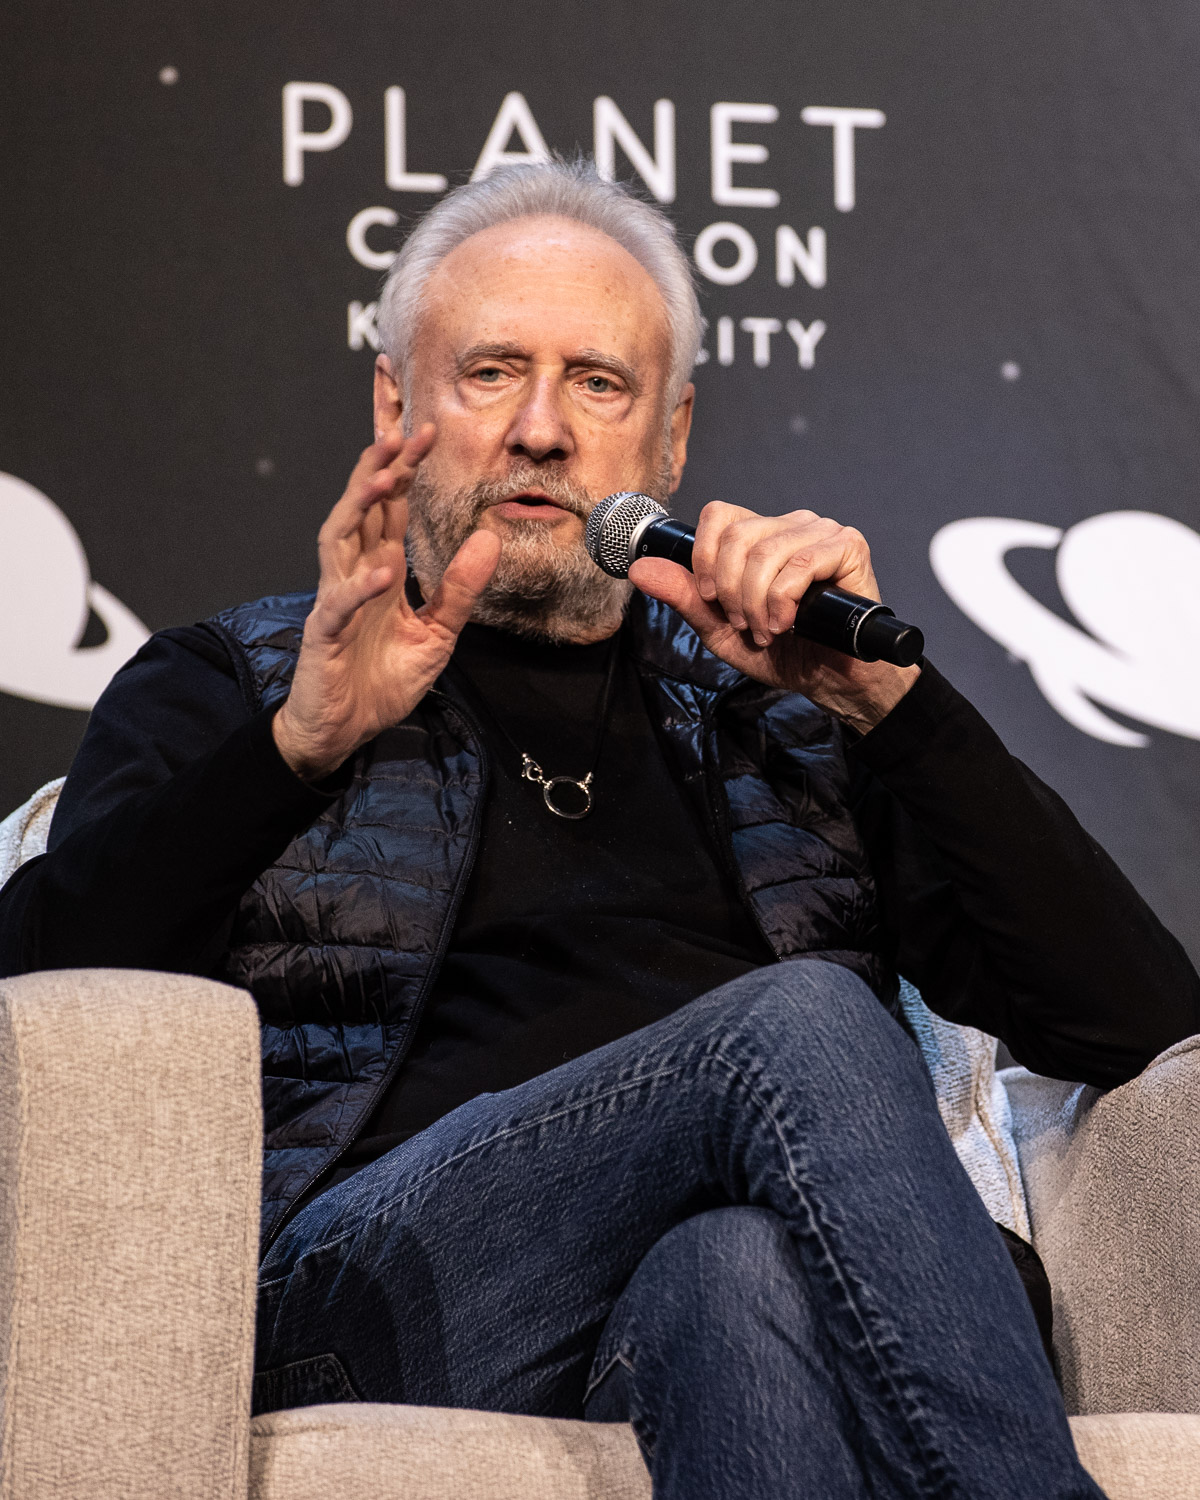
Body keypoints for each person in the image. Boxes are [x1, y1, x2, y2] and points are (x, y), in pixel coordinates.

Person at [2, 159, 1197, 1499]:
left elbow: (1141, 1026)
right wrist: (296, 750)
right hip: (380, 1298)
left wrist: (889, 706)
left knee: (732, 1274)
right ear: (397, 402)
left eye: (600, 383)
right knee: (795, 1024)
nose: (543, 430)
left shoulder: (788, 721)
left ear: (670, 439)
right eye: (494, 371)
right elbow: (47, 998)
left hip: (698, 1289)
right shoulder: (241, 684)